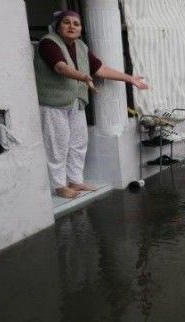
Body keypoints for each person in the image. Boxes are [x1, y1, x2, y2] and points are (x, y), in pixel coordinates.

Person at [34, 10, 148, 199]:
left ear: (80, 30)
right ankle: (59, 186)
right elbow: (60, 67)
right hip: (53, 103)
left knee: (79, 143)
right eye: (66, 22)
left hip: (76, 102)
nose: (72, 26)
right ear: (58, 26)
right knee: (58, 145)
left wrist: (130, 78)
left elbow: (101, 69)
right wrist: (83, 77)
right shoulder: (49, 42)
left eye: (76, 24)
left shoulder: (80, 46)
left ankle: (75, 180)